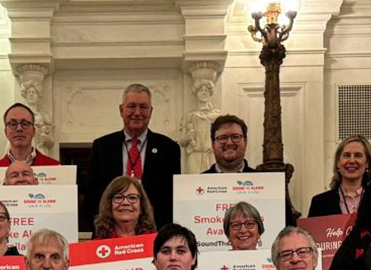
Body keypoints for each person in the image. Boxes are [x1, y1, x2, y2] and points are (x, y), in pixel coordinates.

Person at [86, 83, 181, 229]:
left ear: (151, 111)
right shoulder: (102, 146)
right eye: (131, 106)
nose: (137, 112)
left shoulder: (169, 148)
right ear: (121, 110)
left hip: (155, 232)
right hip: (109, 233)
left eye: (143, 107)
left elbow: (172, 199)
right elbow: (91, 197)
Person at [203, 114, 298, 223]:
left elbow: (287, 229)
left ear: (245, 141)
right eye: (222, 138)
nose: (229, 142)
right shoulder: (195, 184)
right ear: (212, 144)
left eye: (235, 137)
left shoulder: (269, 185)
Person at [307, 135, 371, 219]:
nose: (352, 161)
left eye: (358, 155)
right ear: (338, 162)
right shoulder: (319, 202)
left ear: (367, 163)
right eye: (346, 155)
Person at [0, 102, 60, 167]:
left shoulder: (55, 167)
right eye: (13, 124)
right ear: (6, 132)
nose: (19, 128)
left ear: (34, 131)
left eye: (25, 124)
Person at [92, 174, 159, 239]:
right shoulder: (97, 246)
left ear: (142, 206)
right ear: (109, 205)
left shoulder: (157, 242)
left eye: (132, 197)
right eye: (118, 197)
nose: (125, 203)